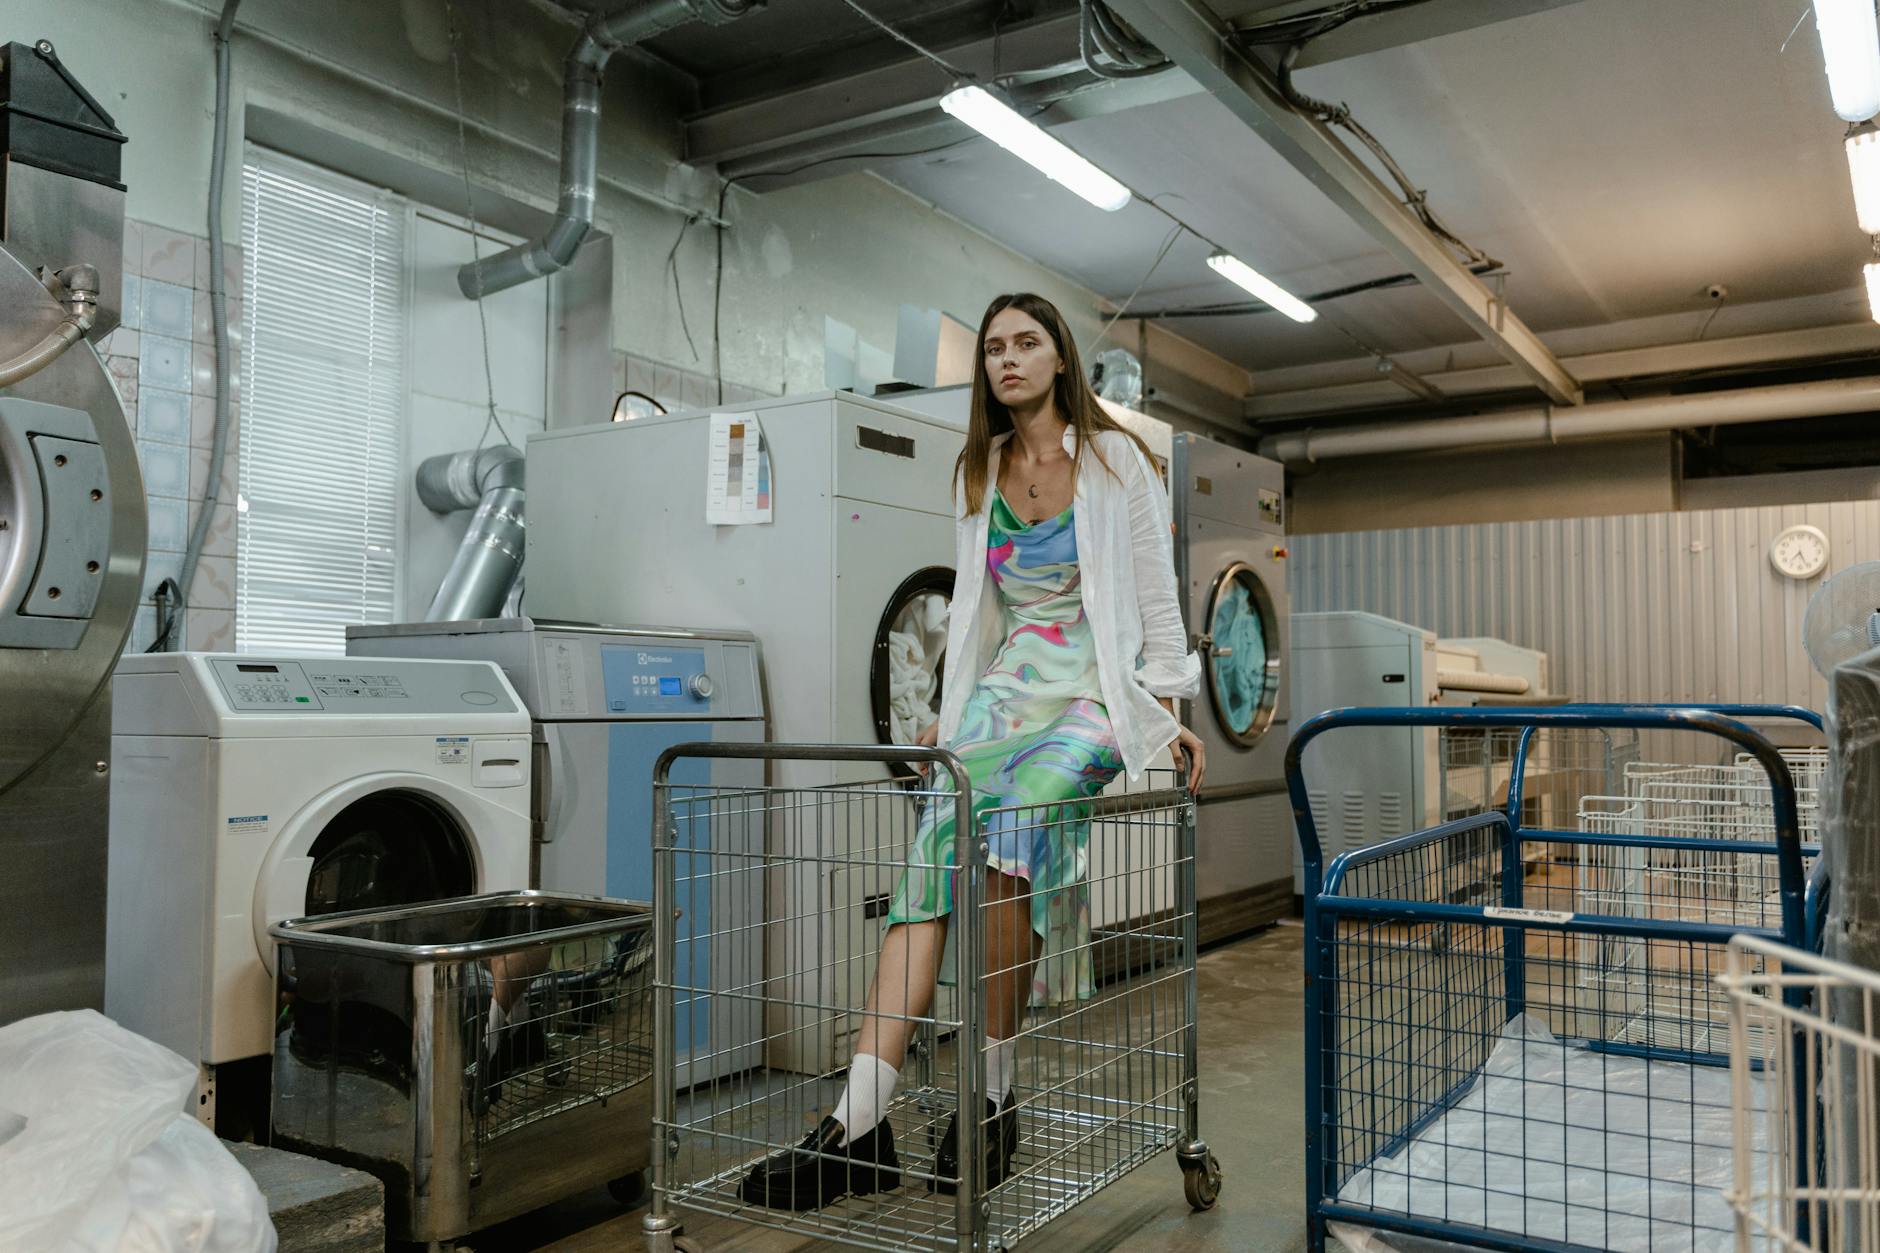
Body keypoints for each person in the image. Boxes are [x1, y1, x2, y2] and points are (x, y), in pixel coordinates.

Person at [741, 291, 1205, 1210]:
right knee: (930, 855)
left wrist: (1164, 709)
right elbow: (975, 611)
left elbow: (1154, 604)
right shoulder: (980, 468)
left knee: (1011, 834)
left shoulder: (1118, 463)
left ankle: (990, 1097)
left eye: (1027, 343)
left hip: (1092, 693)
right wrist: (948, 720)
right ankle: (858, 1123)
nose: (1009, 360)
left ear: (1060, 358)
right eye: (994, 348)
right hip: (1006, 690)